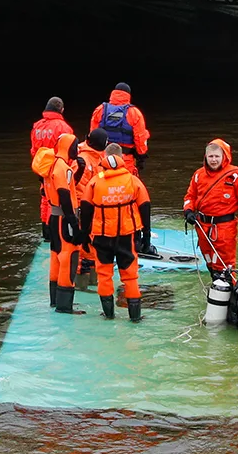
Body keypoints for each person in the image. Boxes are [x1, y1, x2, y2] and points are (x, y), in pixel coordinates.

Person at [79, 143, 151, 321]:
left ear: (103, 160)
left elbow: (86, 209)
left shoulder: (95, 182)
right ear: (121, 160)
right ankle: (135, 317)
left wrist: (85, 235)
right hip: (126, 235)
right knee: (130, 276)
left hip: (102, 236)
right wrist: (146, 235)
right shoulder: (133, 180)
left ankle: (108, 314)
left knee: (104, 275)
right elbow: (145, 206)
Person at [183, 138, 238, 280]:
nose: (214, 160)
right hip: (202, 226)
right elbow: (190, 196)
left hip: (224, 228)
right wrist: (188, 211)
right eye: (211, 156)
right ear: (206, 157)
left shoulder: (236, 175)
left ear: (224, 157)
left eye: (217, 156)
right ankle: (216, 289)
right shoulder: (199, 175)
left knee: (224, 266)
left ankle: (229, 294)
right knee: (209, 261)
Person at [33, 134, 83, 314]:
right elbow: (64, 194)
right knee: (67, 258)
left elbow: (50, 193)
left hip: (54, 217)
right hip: (63, 218)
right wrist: (73, 222)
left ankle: (55, 300)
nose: (76, 150)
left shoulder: (52, 166)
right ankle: (64, 305)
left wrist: (78, 173)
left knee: (56, 255)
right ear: (68, 147)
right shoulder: (63, 167)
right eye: (75, 146)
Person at [88, 82, 149, 179]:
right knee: (126, 187)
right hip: (125, 160)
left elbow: (93, 136)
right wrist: (141, 156)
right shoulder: (134, 113)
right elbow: (140, 137)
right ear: (128, 95)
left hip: (103, 159)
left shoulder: (100, 110)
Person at [31, 96, 74, 223]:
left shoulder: (37, 126)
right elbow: (69, 151)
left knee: (44, 197)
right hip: (57, 168)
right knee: (56, 200)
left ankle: (45, 227)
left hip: (42, 168)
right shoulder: (64, 128)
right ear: (62, 110)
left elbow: (33, 149)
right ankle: (54, 228)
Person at [73, 127, 108, 276]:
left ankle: (92, 273)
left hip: (93, 208)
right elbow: (77, 188)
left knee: (92, 244)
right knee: (84, 244)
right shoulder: (84, 161)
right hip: (84, 208)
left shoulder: (96, 157)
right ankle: (82, 276)